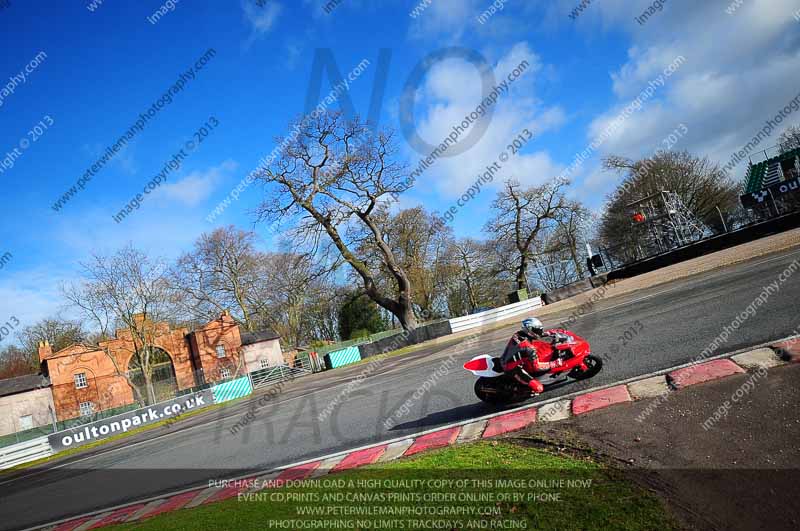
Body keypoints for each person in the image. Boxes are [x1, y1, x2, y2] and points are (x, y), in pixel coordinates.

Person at [500, 317, 564, 395]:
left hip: (508, 358)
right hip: (512, 369)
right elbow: (537, 367)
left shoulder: (518, 334)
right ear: (529, 330)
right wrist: (554, 363)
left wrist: (551, 333)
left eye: (540, 329)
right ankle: (519, 391)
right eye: (537, 330)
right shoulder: (529, 348)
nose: (539, 331)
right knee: (539, 388)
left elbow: (537, 335)